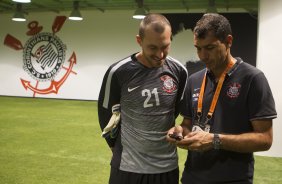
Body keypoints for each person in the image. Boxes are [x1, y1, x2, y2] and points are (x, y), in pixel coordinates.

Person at [167, 13, 277, 184]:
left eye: (210, 48)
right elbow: (187, 124)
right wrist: (180, 133)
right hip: (192, 178)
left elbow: (265, 139)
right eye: (198, 48)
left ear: (228, 41)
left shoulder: (253, 79)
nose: (202, 56)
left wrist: (215, 140)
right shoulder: (194, 80)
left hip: (233, 180)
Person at [98, 13, 188, 184]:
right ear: (139, 41)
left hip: (166, 167)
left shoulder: (179, 71)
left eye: (165, 46)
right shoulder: (118, 72)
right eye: (153, 48)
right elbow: (105, 113)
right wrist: (115, 147)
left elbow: (175, 110)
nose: (160, 54)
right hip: (127, 167)